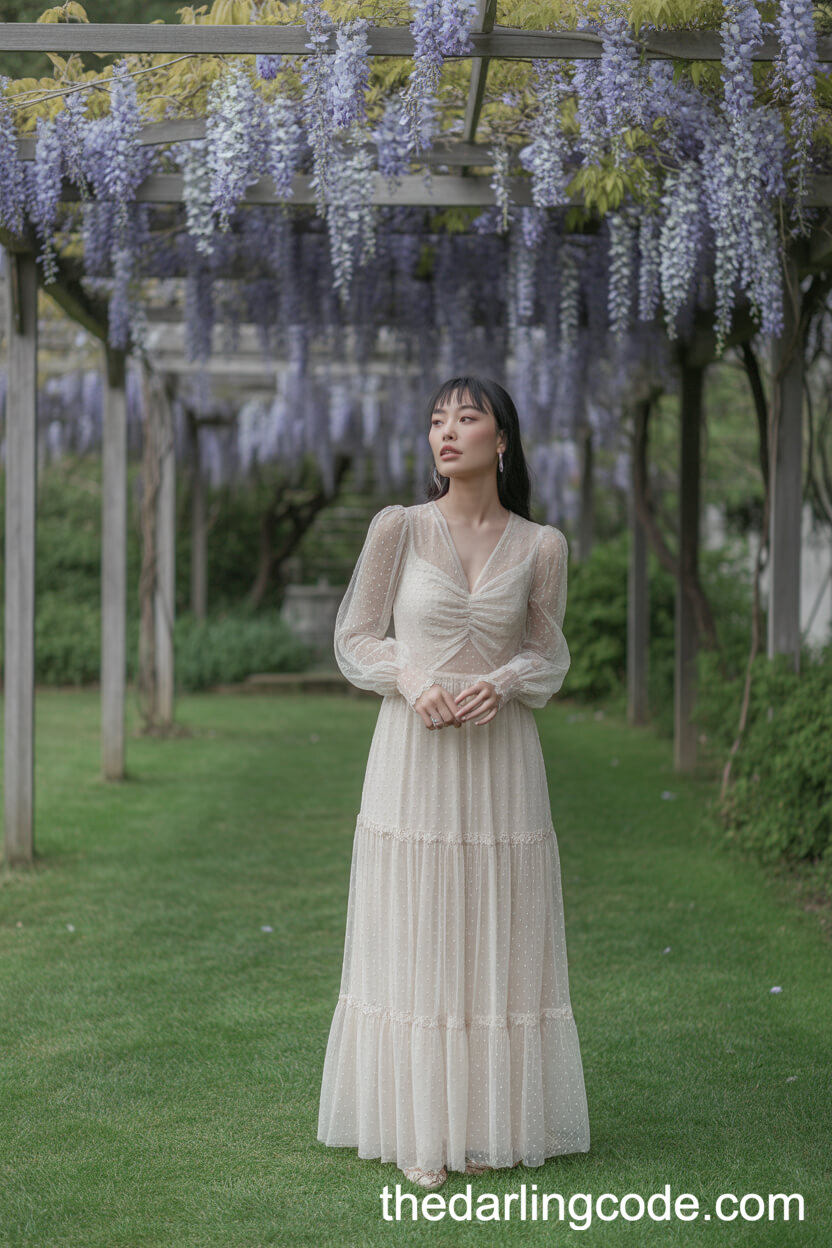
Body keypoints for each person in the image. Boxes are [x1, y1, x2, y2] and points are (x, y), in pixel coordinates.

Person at [317, 375, 590, 1189]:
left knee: (494, 930)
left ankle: (479, 1125)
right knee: (416, 922)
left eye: (466, 419)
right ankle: (417, 1125)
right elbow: (356, 637)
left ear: (501, 440)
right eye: (437, 420)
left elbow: (550, 654)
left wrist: (502, 681)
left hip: (503, 758)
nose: (447, 432)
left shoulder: (542, 545)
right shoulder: (397, 529)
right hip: (415, 753)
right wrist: (409, 678)